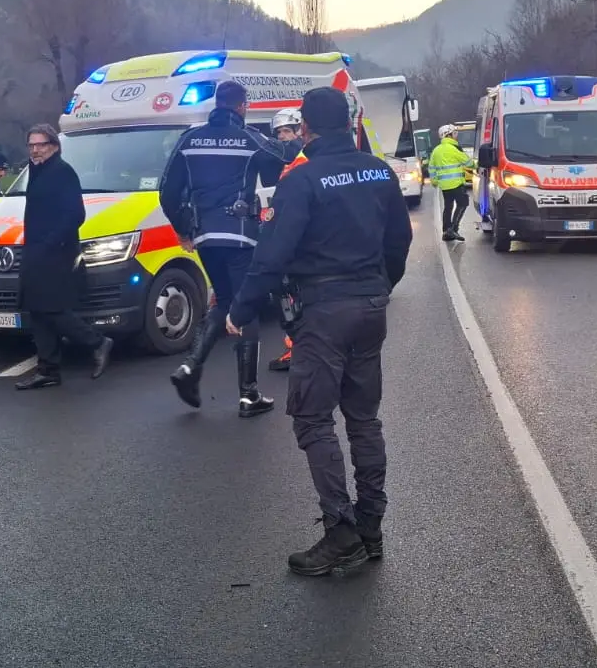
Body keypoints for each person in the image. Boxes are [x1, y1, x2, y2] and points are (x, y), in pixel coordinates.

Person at [225, 86, 412, 576]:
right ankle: (370, 527)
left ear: (305, 129)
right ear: (349, 124)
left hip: (324, 311)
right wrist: (380, 286)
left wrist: (241, 307)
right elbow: (400, 240)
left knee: (312, 418)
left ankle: (341, 532)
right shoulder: (379, 171)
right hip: (370, 307)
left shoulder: (302, 179)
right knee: (364, 419)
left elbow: (272, 254)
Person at [158, 81, 286, 417]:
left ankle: (189, 368)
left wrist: (184, 230)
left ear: (217, 103)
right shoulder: (249, 138)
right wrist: (291, 139)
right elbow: (279, 164)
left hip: (205, 238)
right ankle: (249, 394)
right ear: (242, 106)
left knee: (226, 300)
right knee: (247, 305)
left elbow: (166, 192)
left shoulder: (189, 139)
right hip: (241, 236)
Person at [12, 124, 113, 390]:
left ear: (54, 146)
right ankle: (48, 369)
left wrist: (51, 243)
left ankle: (97, 342)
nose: (35, 150)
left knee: (52, 308)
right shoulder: (37, 171)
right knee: (37, 309)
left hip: (55, 253)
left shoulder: (62, 172)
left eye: (41, 144)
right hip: (36, 250)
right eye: (31, 145)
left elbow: (75, 214)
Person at [265, 107, 304, 373]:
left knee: (286, 290)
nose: (282, 137)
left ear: (299, 131)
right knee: (288, 292)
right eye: (278, 132)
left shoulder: (299, 159)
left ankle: (298, 348)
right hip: (293, 235)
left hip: (299, 239)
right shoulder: (288, 161)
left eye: (287, 131)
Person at [428, 124, 474, 241]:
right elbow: (469, 163)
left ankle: (446, 231)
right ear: (448, 135)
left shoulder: (436, 151)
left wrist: (434, 181)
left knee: (448, 207)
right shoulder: (454, 148)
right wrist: (477, 164)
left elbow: (431, 168)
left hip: (444, 186)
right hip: (456, 184)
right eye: (453, 133)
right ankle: (453, 229)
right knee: (463, 203)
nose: (455, 136)